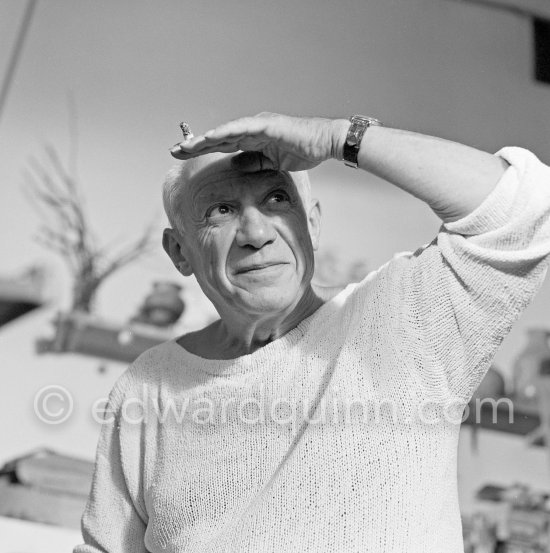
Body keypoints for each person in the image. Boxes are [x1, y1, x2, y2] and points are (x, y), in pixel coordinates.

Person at [74, 112, 550, 553]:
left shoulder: (399, 319)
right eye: (220, 210)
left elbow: (526, 208)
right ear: (179, 252)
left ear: (313, 223)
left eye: (276, 198)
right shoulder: (148, 385)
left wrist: (337, 137)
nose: (255, 233)